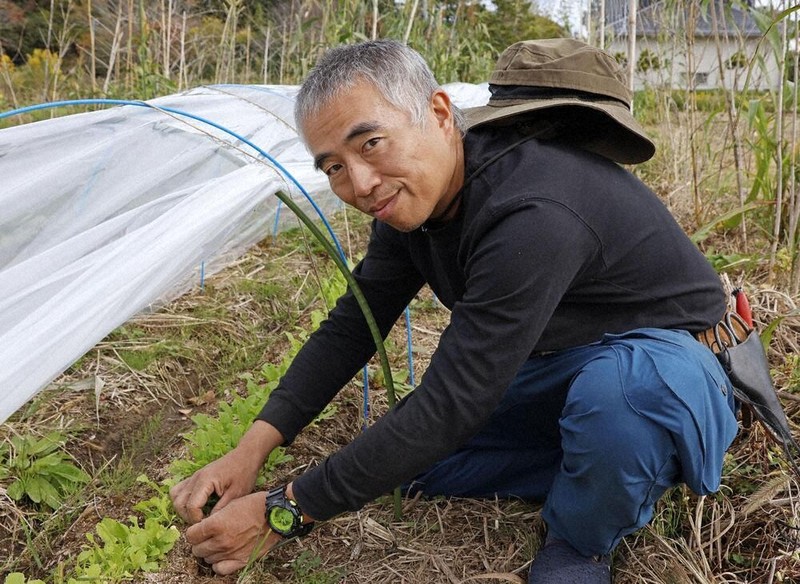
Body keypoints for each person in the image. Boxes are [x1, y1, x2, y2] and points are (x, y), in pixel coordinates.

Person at [170, 38, 739, 583]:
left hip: (669, 364)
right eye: (333, 167)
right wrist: (250, 451)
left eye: (370, 143)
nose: (360, 184)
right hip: (557, 362)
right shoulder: (412, 198)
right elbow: (353, 326)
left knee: (625, 401)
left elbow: (453, 401)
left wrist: (286, 511)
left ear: (440, 113)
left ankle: (581, 537)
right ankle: (589, 466)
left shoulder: (533, 209)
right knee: (417, 465)